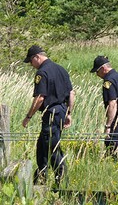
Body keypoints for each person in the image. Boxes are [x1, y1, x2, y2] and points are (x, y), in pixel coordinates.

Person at [22, 45, 75, 187]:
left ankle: (60, 181)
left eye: (31, 61)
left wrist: (28, 116)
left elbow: (40, 97)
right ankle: (41, 179)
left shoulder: (42, 72)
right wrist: (68, 113)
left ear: (36, 57)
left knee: (51, 148)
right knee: (43, 147)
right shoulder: (61, 69)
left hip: (51, 114)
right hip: (61, 112)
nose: (31, 65)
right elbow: (71, 94)